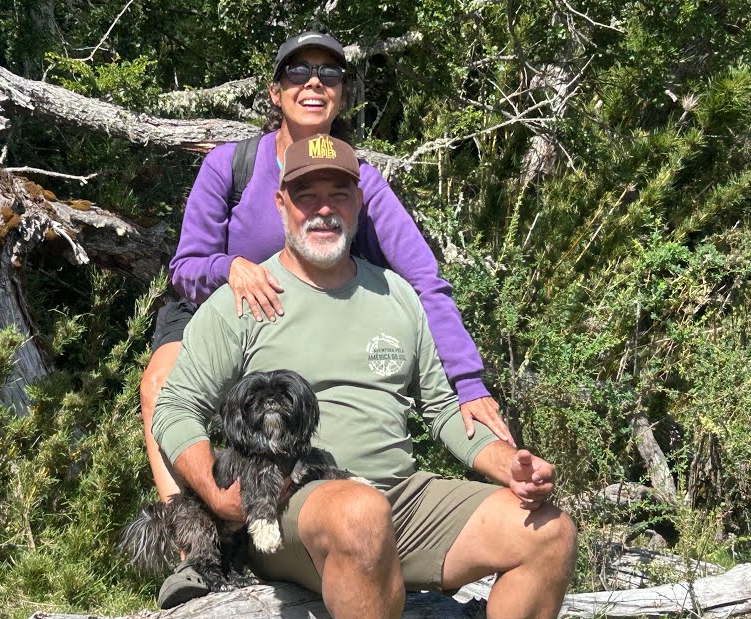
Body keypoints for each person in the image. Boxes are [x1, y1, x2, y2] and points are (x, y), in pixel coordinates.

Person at [152, 134, 577, 619]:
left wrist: (511, 465)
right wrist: (221, 494)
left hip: (400, 496)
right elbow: (176, 407)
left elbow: (443, 410)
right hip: (295, 505)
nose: (323, 209)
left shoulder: (395, 295)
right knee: (358, 511)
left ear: (358, 203)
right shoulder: (242, 301)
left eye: (338, 194)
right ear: (281, 204)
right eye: (307, 195)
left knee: (550, 532)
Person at [140, 30, 514, 535]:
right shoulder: (231, 165)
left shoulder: (361, 180)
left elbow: (425, 280)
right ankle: (190, 534)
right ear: (275, 91)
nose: (313, 82)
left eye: (329, 73)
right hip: (216, 299)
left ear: (342, 94)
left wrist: (467, 383)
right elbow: (185, 266)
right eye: (298, 71)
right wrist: (229, 267)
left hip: (303, 307)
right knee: (162, 382)